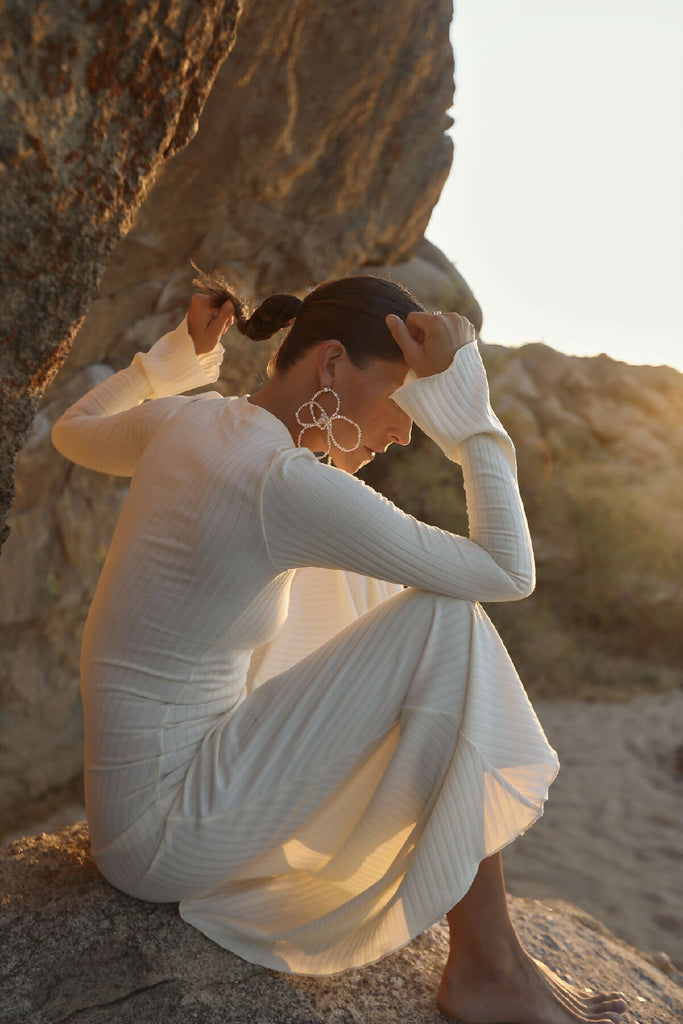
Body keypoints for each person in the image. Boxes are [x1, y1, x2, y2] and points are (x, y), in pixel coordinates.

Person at [52, 273, 627, 1024]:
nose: (403, 431)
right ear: (329, 366)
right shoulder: (277, 482)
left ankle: (489, 946)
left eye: (425, 410)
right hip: (163, 839)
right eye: (403, 398)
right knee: (441, 620)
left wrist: (174, 363)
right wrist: (473, 419)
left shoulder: (191, 423)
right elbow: (507, 572)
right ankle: (487, 962)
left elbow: (72, 431)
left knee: (376, 587)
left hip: (140, 809)